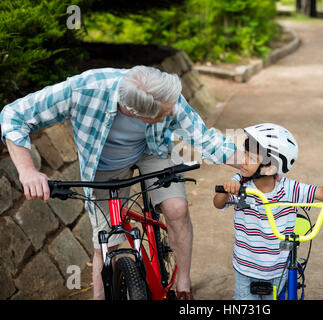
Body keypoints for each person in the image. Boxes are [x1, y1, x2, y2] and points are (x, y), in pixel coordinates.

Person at [0, 66, 241, 300]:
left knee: (176, 209)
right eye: (163, 114)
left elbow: (205, 139)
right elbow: (14, 114)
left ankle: (184, 281)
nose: (171, 113)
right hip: (104, 164)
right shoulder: (83, 89)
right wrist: (27, 170)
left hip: (154, 151)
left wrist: (249, 163)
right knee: (106, 242)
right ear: (135, 112)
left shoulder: (165, 96)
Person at [213, 123, 323, 300]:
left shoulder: (289, 189)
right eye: (245, 154)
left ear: (270, 166)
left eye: (251, 157)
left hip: (278, 270)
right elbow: (218, 203)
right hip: (245, 269)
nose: (243, 160)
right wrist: (226, 190)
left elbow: (321, 192)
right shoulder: (240, 184)